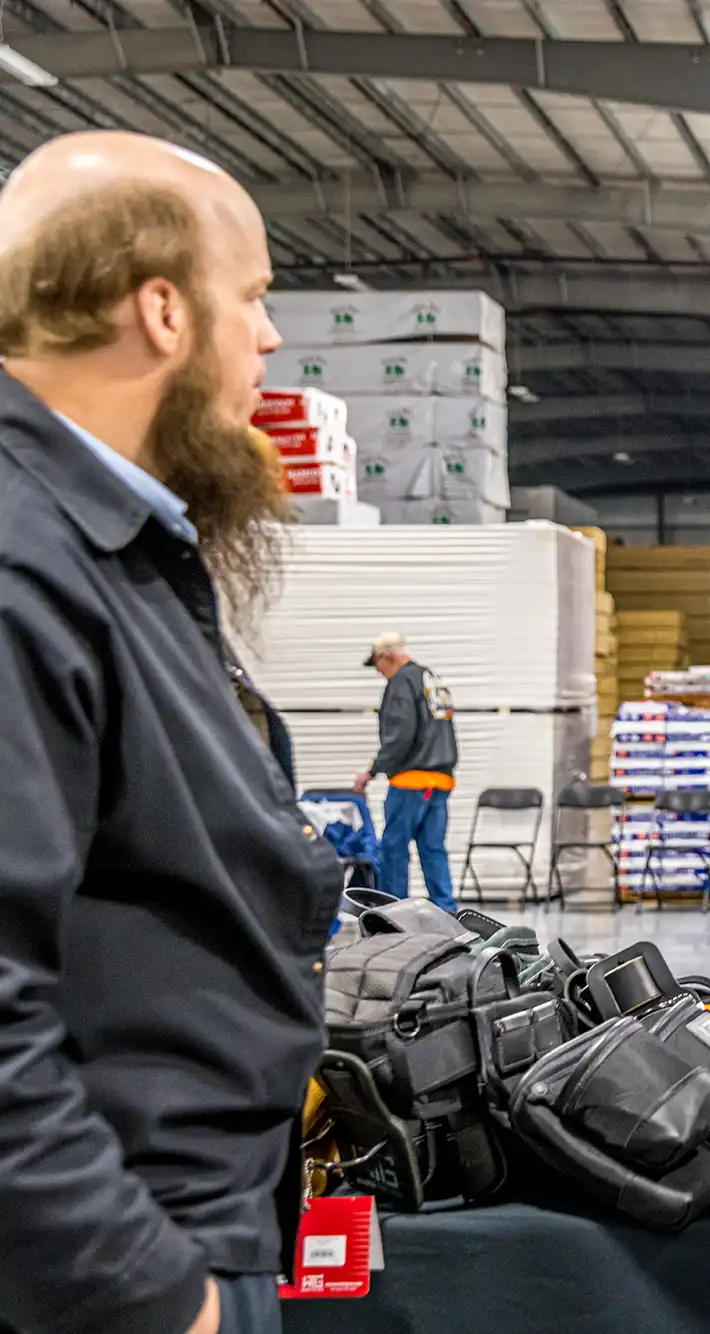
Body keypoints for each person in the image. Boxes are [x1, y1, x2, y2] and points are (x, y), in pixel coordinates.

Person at [0, 133, 342, 1334]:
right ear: (161, 310)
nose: (269, 339)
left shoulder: (109, 547)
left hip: (178, 1230)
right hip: (113, 1273)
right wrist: (146, 1290)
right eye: (251, 296)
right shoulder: (23, 563)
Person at [355, 630, 460, 912]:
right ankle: (446, 910)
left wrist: (372, 771)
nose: (379, 671)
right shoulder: (431, 678)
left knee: (394, 847)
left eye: (377, 664)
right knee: (433, 848)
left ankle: (393, 911)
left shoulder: (401, 681)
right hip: (440, 780)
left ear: (386, 656)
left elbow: (400, 735)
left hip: (412, 781)